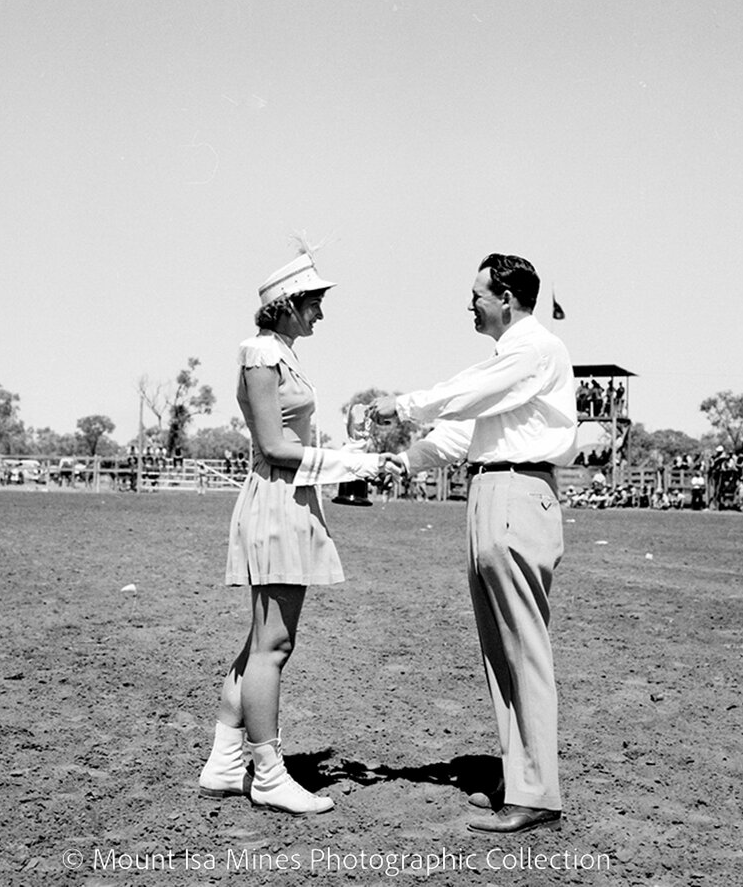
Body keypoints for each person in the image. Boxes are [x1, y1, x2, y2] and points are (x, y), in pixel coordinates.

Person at [372, 253, 577, 835]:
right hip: (492, 491)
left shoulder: (532, 348)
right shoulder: (511, 358)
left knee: (523, 648)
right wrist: (403, 459)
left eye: (478, 294)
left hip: (516, 491)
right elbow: (463, 431)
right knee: (500, 650)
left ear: (506, 298)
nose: (472, 305)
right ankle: (519, 777)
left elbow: (469, 395)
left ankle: (537, 792)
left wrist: (403, 405)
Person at [198, 243, 382, 816]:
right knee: (274, 646)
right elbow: (276, 447)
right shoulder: (260, 354)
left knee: (262, 642)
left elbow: (291, 442)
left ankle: (226, 763)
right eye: (313, 304)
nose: (320, 314)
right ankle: (268, 772)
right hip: (277, 502)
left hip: (290, 499)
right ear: (286, 305)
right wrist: (356, 465)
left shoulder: (279, 352)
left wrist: (348, 453)